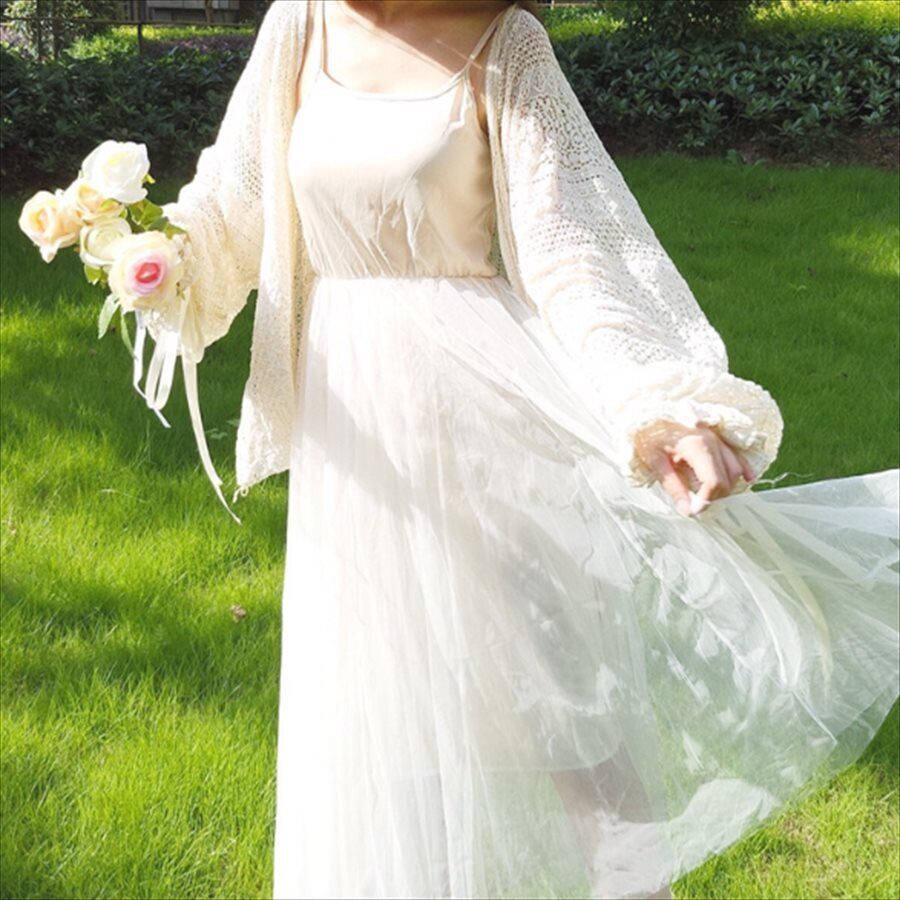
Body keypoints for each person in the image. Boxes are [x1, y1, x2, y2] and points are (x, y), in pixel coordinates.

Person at [149, 2, 900, 897]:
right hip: (355, 443)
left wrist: (664, 407)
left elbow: (574, 247)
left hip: (482, 418)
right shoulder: (297, 26)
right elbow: (231, 208)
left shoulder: (504, 43)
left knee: (560, 707)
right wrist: (144, 252)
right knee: (389, 714)